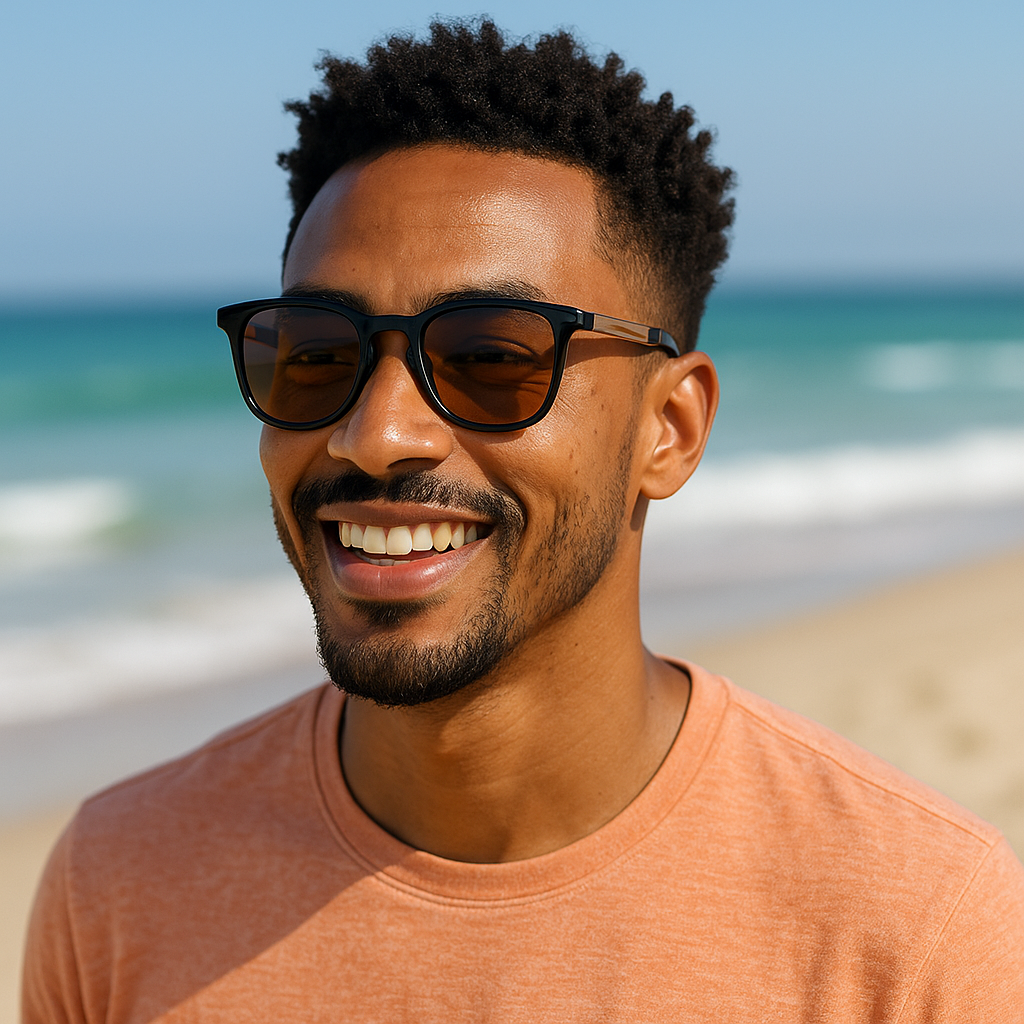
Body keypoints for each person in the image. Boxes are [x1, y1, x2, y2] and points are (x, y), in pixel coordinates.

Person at [23, 20, 1024, 1022]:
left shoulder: (921, 930)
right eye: (318, 355)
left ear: (669, 429)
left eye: (491, 357)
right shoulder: (119, 886)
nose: (375, 435)